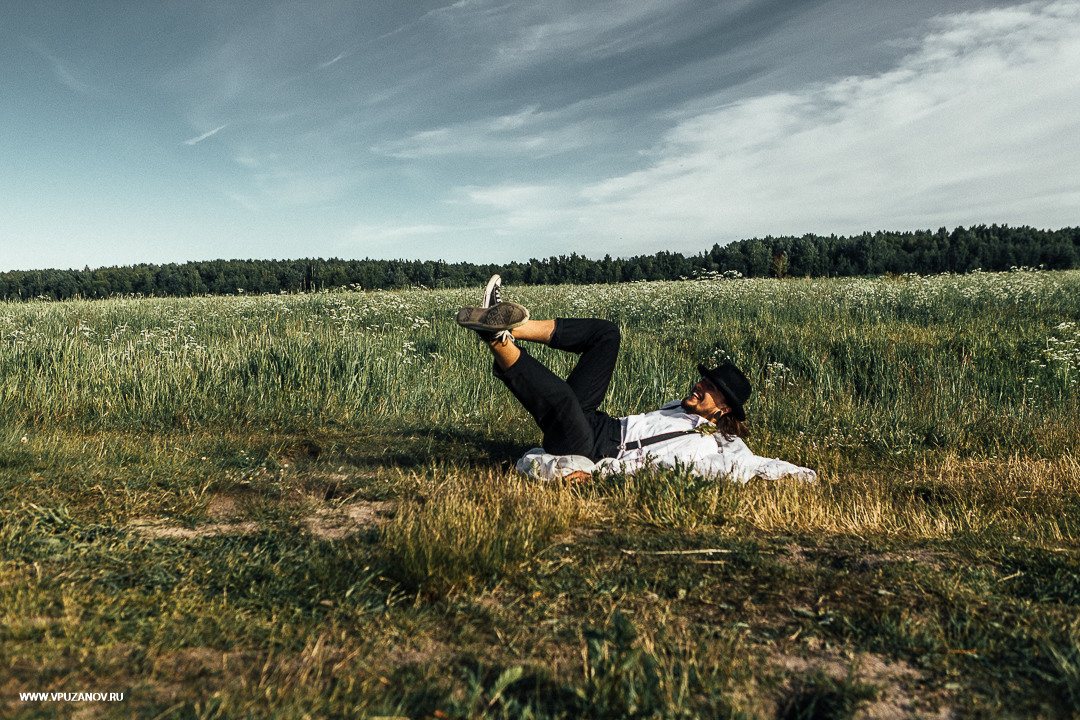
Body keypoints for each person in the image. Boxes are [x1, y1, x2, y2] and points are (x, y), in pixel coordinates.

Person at [456, 276, 817, 483]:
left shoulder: (709, 449)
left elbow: (751, 464)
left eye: (711, 389)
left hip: (596, 451)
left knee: (563, 400)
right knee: (607, 335)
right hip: (600, 424)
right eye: (704, 380)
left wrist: (804, 475)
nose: (699, 385)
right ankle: (513, 325)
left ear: (724, 409)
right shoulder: (683, 410)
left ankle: (495, 338)